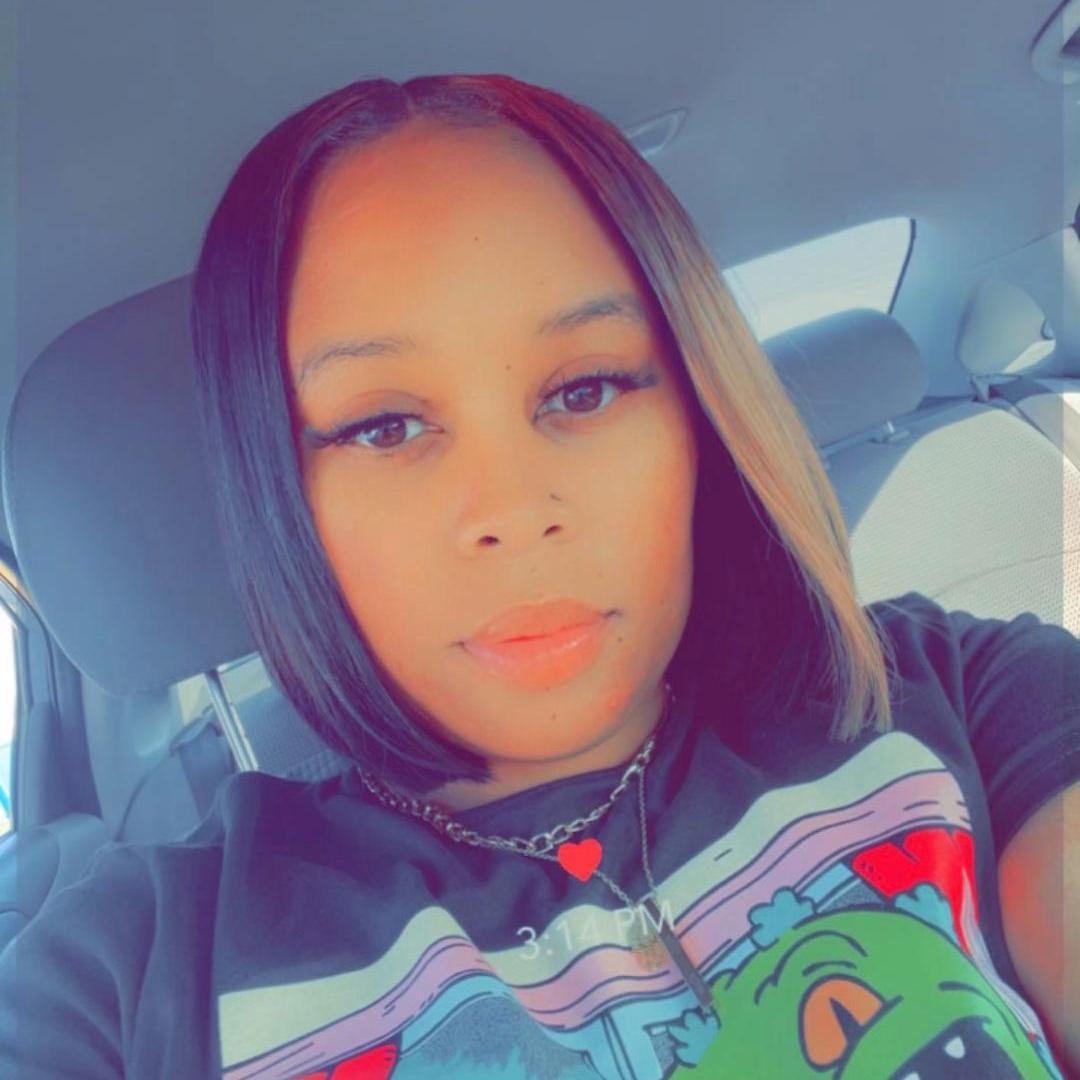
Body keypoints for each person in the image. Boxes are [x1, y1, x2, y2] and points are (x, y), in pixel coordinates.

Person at [0, 72, 1077, 1079]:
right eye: (384, 425)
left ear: (697, 413)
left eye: (586, 389)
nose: (515, 511)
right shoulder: (132, 975)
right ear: (278, 494)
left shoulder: (960, 697)